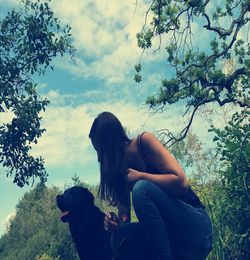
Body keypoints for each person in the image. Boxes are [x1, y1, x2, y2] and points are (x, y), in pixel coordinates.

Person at [89, 111, 213, 260]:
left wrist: (141, 177)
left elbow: (182, 183)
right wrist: (116, 222)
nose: (98, 159)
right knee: (121, 235)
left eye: (100, 152)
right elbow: (125, 216)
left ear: (110, 144)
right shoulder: (120, 172)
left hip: (196, 230)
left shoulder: (144, 142)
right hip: (169, 240)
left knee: (142, 189)